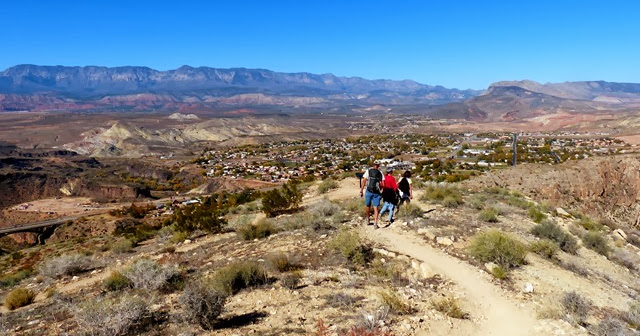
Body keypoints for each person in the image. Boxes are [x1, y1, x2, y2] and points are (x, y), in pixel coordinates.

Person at [360, 162, 384, 228]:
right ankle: (375, 223)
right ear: (378, 166)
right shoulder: (380, 173)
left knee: (368, 205)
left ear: (373, 165)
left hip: (369, 191)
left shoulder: (368, 171)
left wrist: (361, 190)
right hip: (377, 192)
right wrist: (381, 191)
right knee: (376, 208)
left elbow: (364, 181)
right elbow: (382, 184)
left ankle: (368, 218)